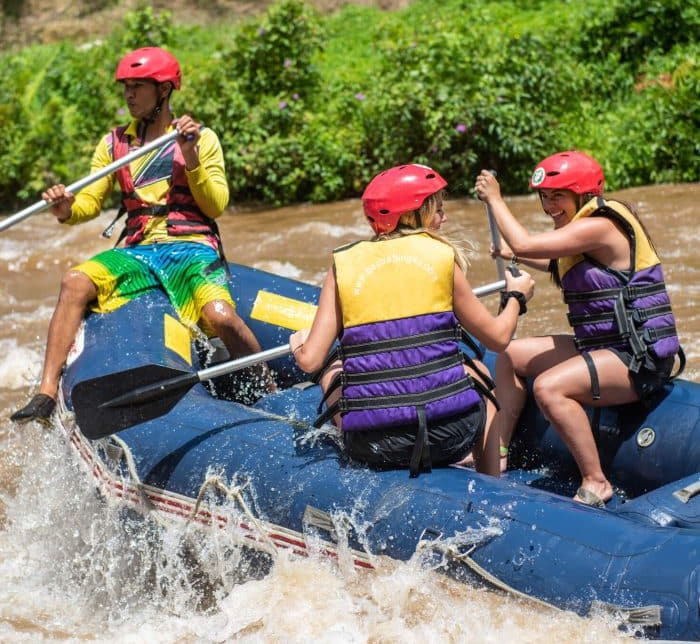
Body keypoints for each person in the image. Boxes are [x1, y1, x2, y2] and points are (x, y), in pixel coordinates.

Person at [11, 46, 270, 426]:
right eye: (126, 87)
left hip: (192, 249)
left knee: (221, 317)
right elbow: (89, 204)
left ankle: (265, 387)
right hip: (139, 251)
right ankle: (46, 391)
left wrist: (191, 156)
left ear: (163, 91)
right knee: (74, 281)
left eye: (137, 87)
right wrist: (65, 208)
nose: (129, 95)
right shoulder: (113, 144)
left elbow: (215, 205)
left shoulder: (201, 138)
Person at [289, 164, 534, 478]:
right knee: (479, 371)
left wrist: (298, 345)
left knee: (333, 369)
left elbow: (310, 361)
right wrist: (516, 296)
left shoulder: (342, 266)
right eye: (437, 211)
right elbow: (498, 339)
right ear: (412, 216)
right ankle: (491, 478)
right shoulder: (442, 257)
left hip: (373, 444)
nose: (443, 218)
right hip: (451, 435)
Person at [475, 150, 683, 507]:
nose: (548, 205)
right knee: (508, 354)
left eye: (558, 196)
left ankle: (596, 480)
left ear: (583, 194)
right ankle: (499, 453)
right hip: (599, 346)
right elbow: (548, 257)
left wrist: (495, 199)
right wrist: (510, 253)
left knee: (549, 387)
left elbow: (526, 242)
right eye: (544, 196)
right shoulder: (578, 232)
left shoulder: (602, 225)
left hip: (636, 356)